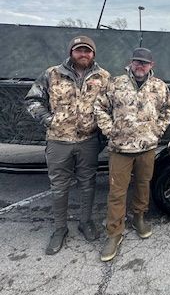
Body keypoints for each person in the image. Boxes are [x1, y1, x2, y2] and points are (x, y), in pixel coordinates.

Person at [25, 35, 110, 255]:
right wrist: (48, 120)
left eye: (87, 51)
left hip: (88, 141)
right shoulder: (52, 74)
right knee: (59, 187)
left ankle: (85, 222)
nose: (83, 54)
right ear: (71, 52)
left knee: (87, 184)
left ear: (93, 54)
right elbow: (32, 100)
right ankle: (60, 229)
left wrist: (104, 130)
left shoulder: (104, 77)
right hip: (58, 141)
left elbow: (111, 105)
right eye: (79, 50)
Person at [94, 47, 170, 262]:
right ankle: (114, 233)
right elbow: (99, 107)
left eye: (144, 63)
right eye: (137, 62)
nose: (140, 66)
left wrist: (157, 131)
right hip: (120, 149)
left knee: (143, 185)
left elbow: (168, 109)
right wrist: (110, 130)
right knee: (117, 192)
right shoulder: (115, 83)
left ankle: (139, 217)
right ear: (130, 63)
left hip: (147, 147)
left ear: (152, 66)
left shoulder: (159, 86)